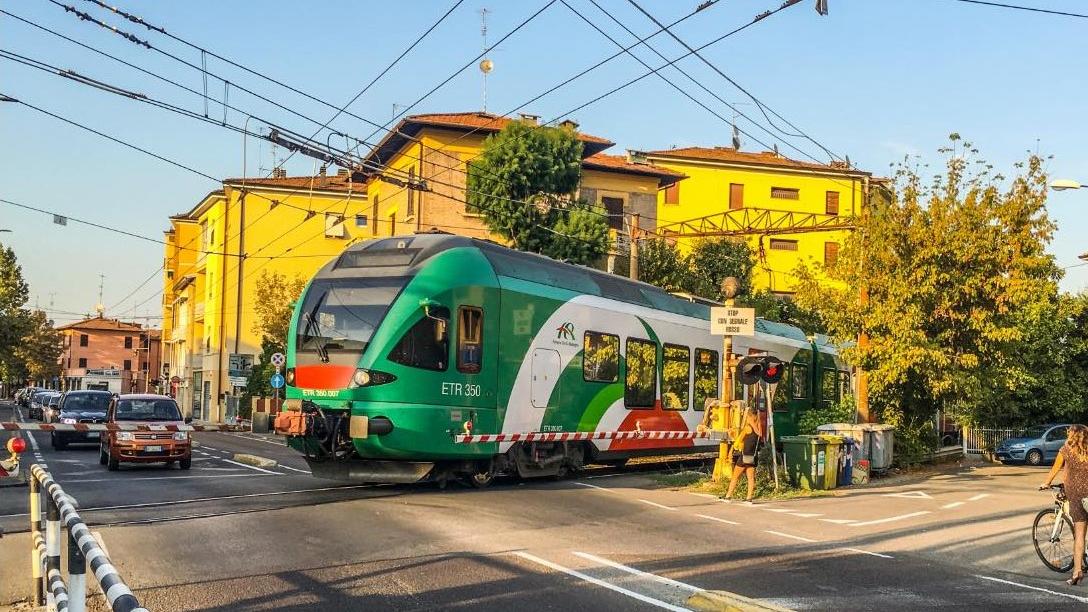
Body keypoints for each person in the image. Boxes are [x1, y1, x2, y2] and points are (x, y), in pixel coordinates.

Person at [1042, 424, 1088, 586]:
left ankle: (1077, 572)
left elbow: (1055, 469)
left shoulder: (1066, 450)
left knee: (1080, 535)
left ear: (1071, 435)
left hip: (1076, 497)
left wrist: (1046, 483)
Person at [726, 409, 763, 502]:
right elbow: (759, 434)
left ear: (751, 417)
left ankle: (728, 496)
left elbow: (738, 440)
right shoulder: (759, 428)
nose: (746, 418)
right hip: (753, 457)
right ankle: (749, 498)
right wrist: (756, 420)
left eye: (747, 417)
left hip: (744, 456)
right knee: (750, 478)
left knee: (735, 477)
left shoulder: (747, 428)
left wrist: (731, 450)